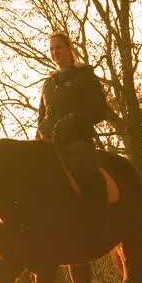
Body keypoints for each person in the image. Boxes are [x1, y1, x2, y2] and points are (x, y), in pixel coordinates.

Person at [36, 32, 116, 244]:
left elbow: (99, 110)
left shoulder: (85, 76)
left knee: (87, 172)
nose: (55, 53)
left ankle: (100, 226)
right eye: (52, 49)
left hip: (77, 141)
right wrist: (40, 134)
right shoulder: (48, 84)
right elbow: (41, 116)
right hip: (51, 145)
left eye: (59, 48)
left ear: (70, 49)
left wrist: (72, 120)